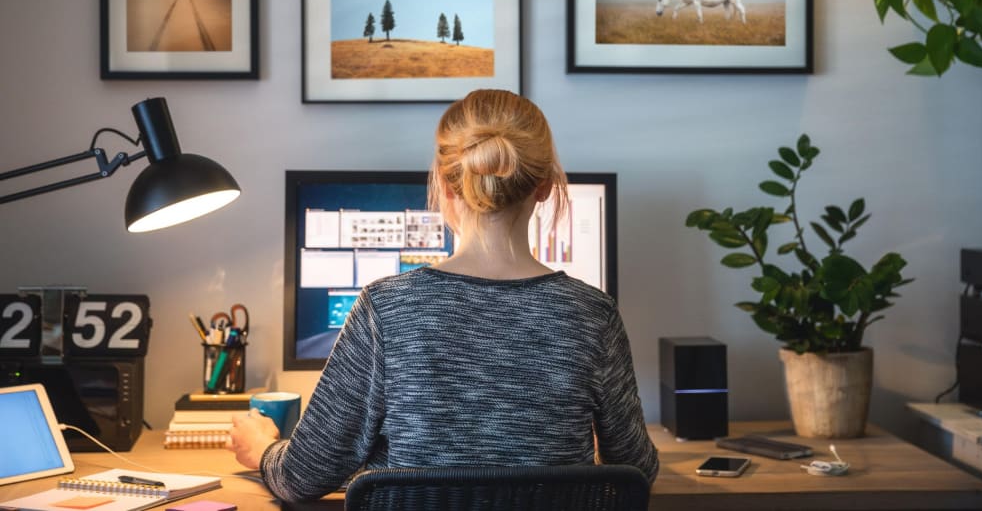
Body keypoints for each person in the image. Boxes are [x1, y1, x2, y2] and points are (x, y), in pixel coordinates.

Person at [228, 89, 659, 501]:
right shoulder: (593, 314)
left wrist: (263, 448)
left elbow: (304, 477)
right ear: (545, 186)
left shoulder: (385, 308)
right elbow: (636, 469)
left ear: (447, 185)